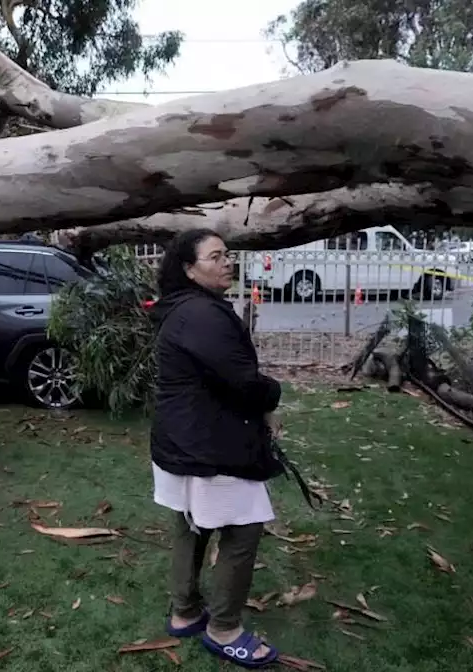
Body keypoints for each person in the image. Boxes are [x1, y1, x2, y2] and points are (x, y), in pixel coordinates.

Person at [149, 228, 284, 668]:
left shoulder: (185, 308)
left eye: (228, 255)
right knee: (243, 530)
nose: (228, 262)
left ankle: (185, 611)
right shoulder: (202, 315)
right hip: (210, 446)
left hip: (186, 439)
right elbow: (243, 381)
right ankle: (224, 628)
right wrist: (273, 396)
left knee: (191, 525)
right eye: (216, 257)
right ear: (190, 269)